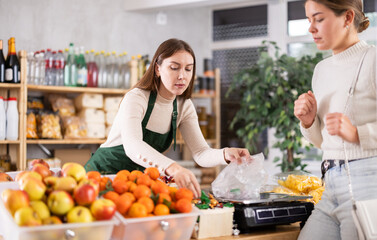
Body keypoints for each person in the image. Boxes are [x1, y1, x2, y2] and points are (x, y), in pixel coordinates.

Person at [85, 38, 250, 198]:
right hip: (102, 176)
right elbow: (133, 146)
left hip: (134, 183)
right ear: (157, 69)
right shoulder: (137, 98)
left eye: (188, 69)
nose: (182, 76)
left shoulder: (184, 106)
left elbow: (201, 152)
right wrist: (174, 168)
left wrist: (225, 154)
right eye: (174, 68)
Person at [294, 0, 377, 239]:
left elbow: (350, 135)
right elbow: (324, 142)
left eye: (319, 19)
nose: (311, 28)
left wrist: (357, 134)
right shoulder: (321, 69)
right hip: (329, 183)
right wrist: (309, 122)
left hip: (367, 183)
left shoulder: (372, 60)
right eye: (309, 20)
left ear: (348, 18)